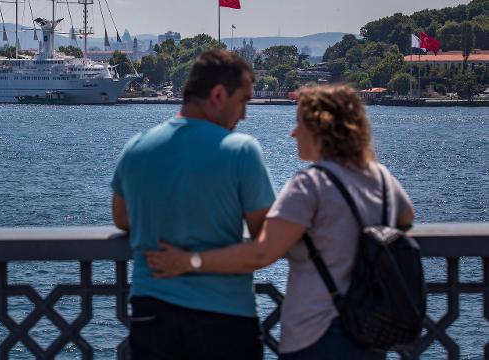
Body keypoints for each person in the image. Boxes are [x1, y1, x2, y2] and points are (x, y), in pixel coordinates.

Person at [146, 84, 415, 359]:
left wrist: (190, 261)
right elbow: (405, 218)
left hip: (318, 334)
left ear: (320, 128)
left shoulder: (310, 185)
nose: (293, 132)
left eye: (299, 122)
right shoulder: (381, 178)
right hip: (369, 330)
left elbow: (262, 252)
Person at [111, 49, 276, 359]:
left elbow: (121, 218)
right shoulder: (241, 151)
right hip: (224, 319)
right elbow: (263, 245)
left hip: (151, 314)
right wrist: (195, 259)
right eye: (243, 102)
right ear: (217, 95)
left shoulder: (136, 147)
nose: (244, 115)